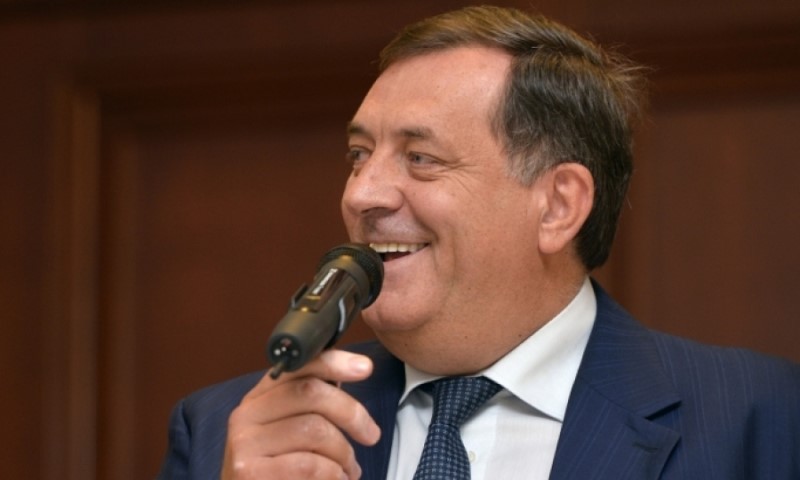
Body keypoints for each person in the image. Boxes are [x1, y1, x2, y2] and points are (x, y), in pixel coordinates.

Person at [157, 5, 800, 479]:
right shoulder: (227, 431)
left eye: (421, 158)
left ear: (558, 206)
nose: (361, 195)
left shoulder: (762, 419)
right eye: (358, 155)